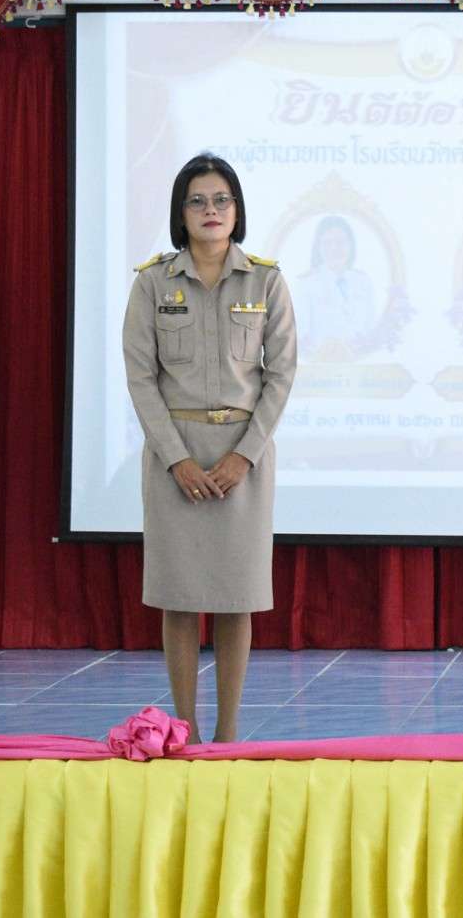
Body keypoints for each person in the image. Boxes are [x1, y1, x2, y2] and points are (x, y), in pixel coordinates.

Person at [121, 152, 297, 743]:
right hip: (175, 457)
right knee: (178, 597)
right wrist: (176, 459)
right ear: (181, 213)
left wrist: (243, 456)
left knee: (234, 597)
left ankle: (227, 734)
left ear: (237, 210)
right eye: (197, 201)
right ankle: (187, 730)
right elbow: (141, 377)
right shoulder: (153, 282)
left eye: (222, 200)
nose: (211, 210)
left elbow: (281, 375)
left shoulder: (265, 280)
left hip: (242, 457)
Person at [292, 215, 377, 360]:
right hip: (319, 362)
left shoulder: (363, 282)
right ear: (318, 248)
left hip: (359, 361)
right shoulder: (306, 284)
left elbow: (370, 328)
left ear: (351, 245)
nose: (334, 248)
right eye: (327, 243)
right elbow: (300, 333)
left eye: (340, 242)